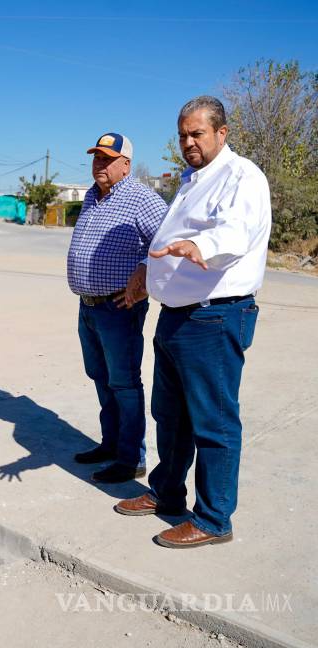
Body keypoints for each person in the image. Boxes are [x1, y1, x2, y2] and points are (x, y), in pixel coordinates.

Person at [114, 96, 271, 548]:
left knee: (214, 422)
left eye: (197, 133)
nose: (188, 142)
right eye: (183, 134)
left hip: (214, 317)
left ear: (222, 133)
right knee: (170, 414)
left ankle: (213, 519)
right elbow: (169, 238)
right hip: (177, 318)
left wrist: (202, 247)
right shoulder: (192, 180)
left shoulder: (242, 177)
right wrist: (149, 268)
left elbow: (235, 230)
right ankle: (166, 493)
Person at [66, 133, 168, 483]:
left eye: (107, 159)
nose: (99, 164)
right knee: (101, 378)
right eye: (96, 157)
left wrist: (144, 268)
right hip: (89, 306)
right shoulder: (93, 196)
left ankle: (131, 458)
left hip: (118, 308)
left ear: (125, 164)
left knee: (124, 383)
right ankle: (110, 445)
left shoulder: (140, 197)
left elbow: (167, 240)